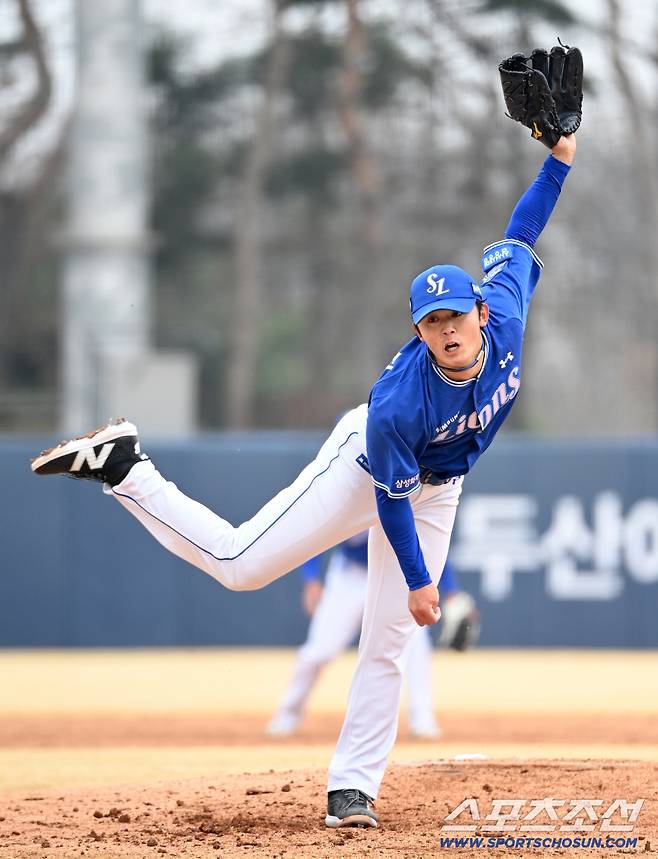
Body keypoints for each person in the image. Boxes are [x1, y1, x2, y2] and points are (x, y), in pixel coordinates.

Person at [32, 131, 576, 829]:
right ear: (417, 330)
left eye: (455, 314)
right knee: (240, 564)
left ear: (480, 310)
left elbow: (523, 229)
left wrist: (558, 156)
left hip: (442, 484)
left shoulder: (505, 312)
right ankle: (126, 467)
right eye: (431, 320)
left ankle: (352, 788)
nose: (448, 329)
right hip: (370, 470)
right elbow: (391, 499)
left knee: (388, 641)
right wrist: (419, 580)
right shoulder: (398, 405)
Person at [266, 536, 479, 740]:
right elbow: (318, 530)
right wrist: (311, 578)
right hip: (352, 575)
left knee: (415, 647)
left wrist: (450, 590)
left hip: (399, 574)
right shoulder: (348, 496)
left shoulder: (405, 497)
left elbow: (430, 540)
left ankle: (422, 720)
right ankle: (287, 715)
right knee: (320, 650)